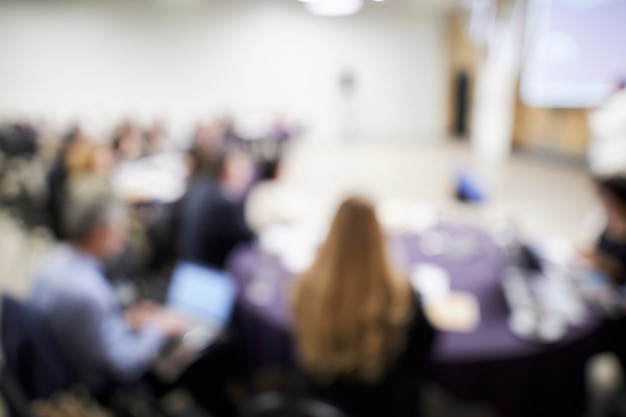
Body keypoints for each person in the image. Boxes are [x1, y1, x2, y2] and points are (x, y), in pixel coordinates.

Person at [291, 196, 436, 417]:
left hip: (320, 400)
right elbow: (426, 345)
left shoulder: (306, 287)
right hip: (384, 404)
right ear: (378, 237)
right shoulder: (400, 296)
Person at [29, 198, 185, 395]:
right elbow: (124, 365)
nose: (125, 239)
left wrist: (124, 322)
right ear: (100, 234)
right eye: (120, 231)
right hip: (87, 382)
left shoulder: (52, 263)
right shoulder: (91, 293)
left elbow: (86, 326)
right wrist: (158, 328)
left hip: (54, 358)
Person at [178, 150, 255, 269]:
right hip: (207, 271)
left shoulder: (199, 187)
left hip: (186, 265)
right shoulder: (222, 204)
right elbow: (248, 239)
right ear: (225, 171)